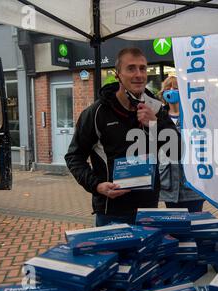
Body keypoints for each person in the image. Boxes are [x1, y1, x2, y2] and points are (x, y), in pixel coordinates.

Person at [65, 48, 177, 227]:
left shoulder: (155, 108)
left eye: (143, 68)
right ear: (117, 74)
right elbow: (74, 156)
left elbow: (176, 150)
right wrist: (97, 186)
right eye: (131, 68)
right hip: (112, 213)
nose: (139, 74)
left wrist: (155, 124)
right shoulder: (96, 113)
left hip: (148, 210)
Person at [158, 76, 205, 212]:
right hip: (169, 185)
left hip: (192, 185)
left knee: (194, 225)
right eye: (168, 88)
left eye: (176, 88)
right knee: (176, 226)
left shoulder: (194, 117)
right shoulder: (159, 117)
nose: (171, 91)